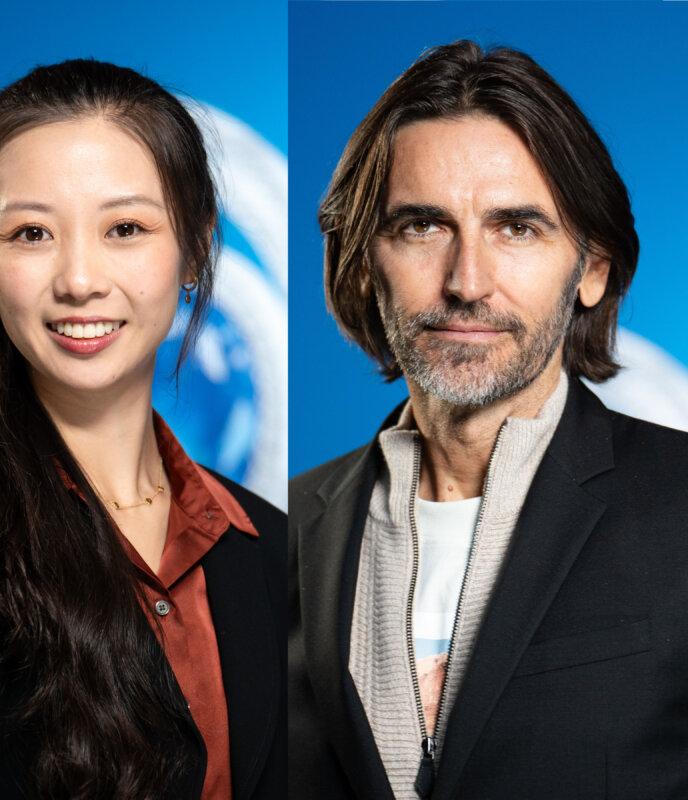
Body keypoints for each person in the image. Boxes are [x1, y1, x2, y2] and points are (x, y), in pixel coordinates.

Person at [289, 39, 688, 799]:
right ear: (363, 262)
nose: (467, 282)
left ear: (593, 269)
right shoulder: (281, 529)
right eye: (422, 226)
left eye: (517, 228)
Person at [0, 59, 288, 799]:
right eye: (32, 233)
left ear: (194, 249)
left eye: (125, 228)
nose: (78, 279)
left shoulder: (268, 547)